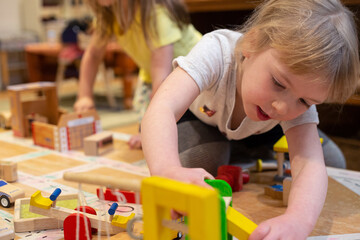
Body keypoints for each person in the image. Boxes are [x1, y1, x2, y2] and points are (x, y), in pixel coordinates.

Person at [141, 0, 359, 239]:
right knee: (201, 162)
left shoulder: (291, 97)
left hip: (264, 128)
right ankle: (245, 155)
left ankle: (248, 153)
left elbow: (308, 162)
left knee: (332, 160)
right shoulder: (216, 50)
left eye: (305, 102)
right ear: (251, 44)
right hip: (204, 120)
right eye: (278, 83)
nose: (282, 106)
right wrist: (166, 169)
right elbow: (162, 107)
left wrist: (299, 219)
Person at [74, 0, 202, 149]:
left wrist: (151, 131)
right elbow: (93, 55)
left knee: (171, 143)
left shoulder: (157, 14)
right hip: (156, 80)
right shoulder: (110, 15)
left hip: (197, 79)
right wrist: (84, 96)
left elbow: (162, 75)